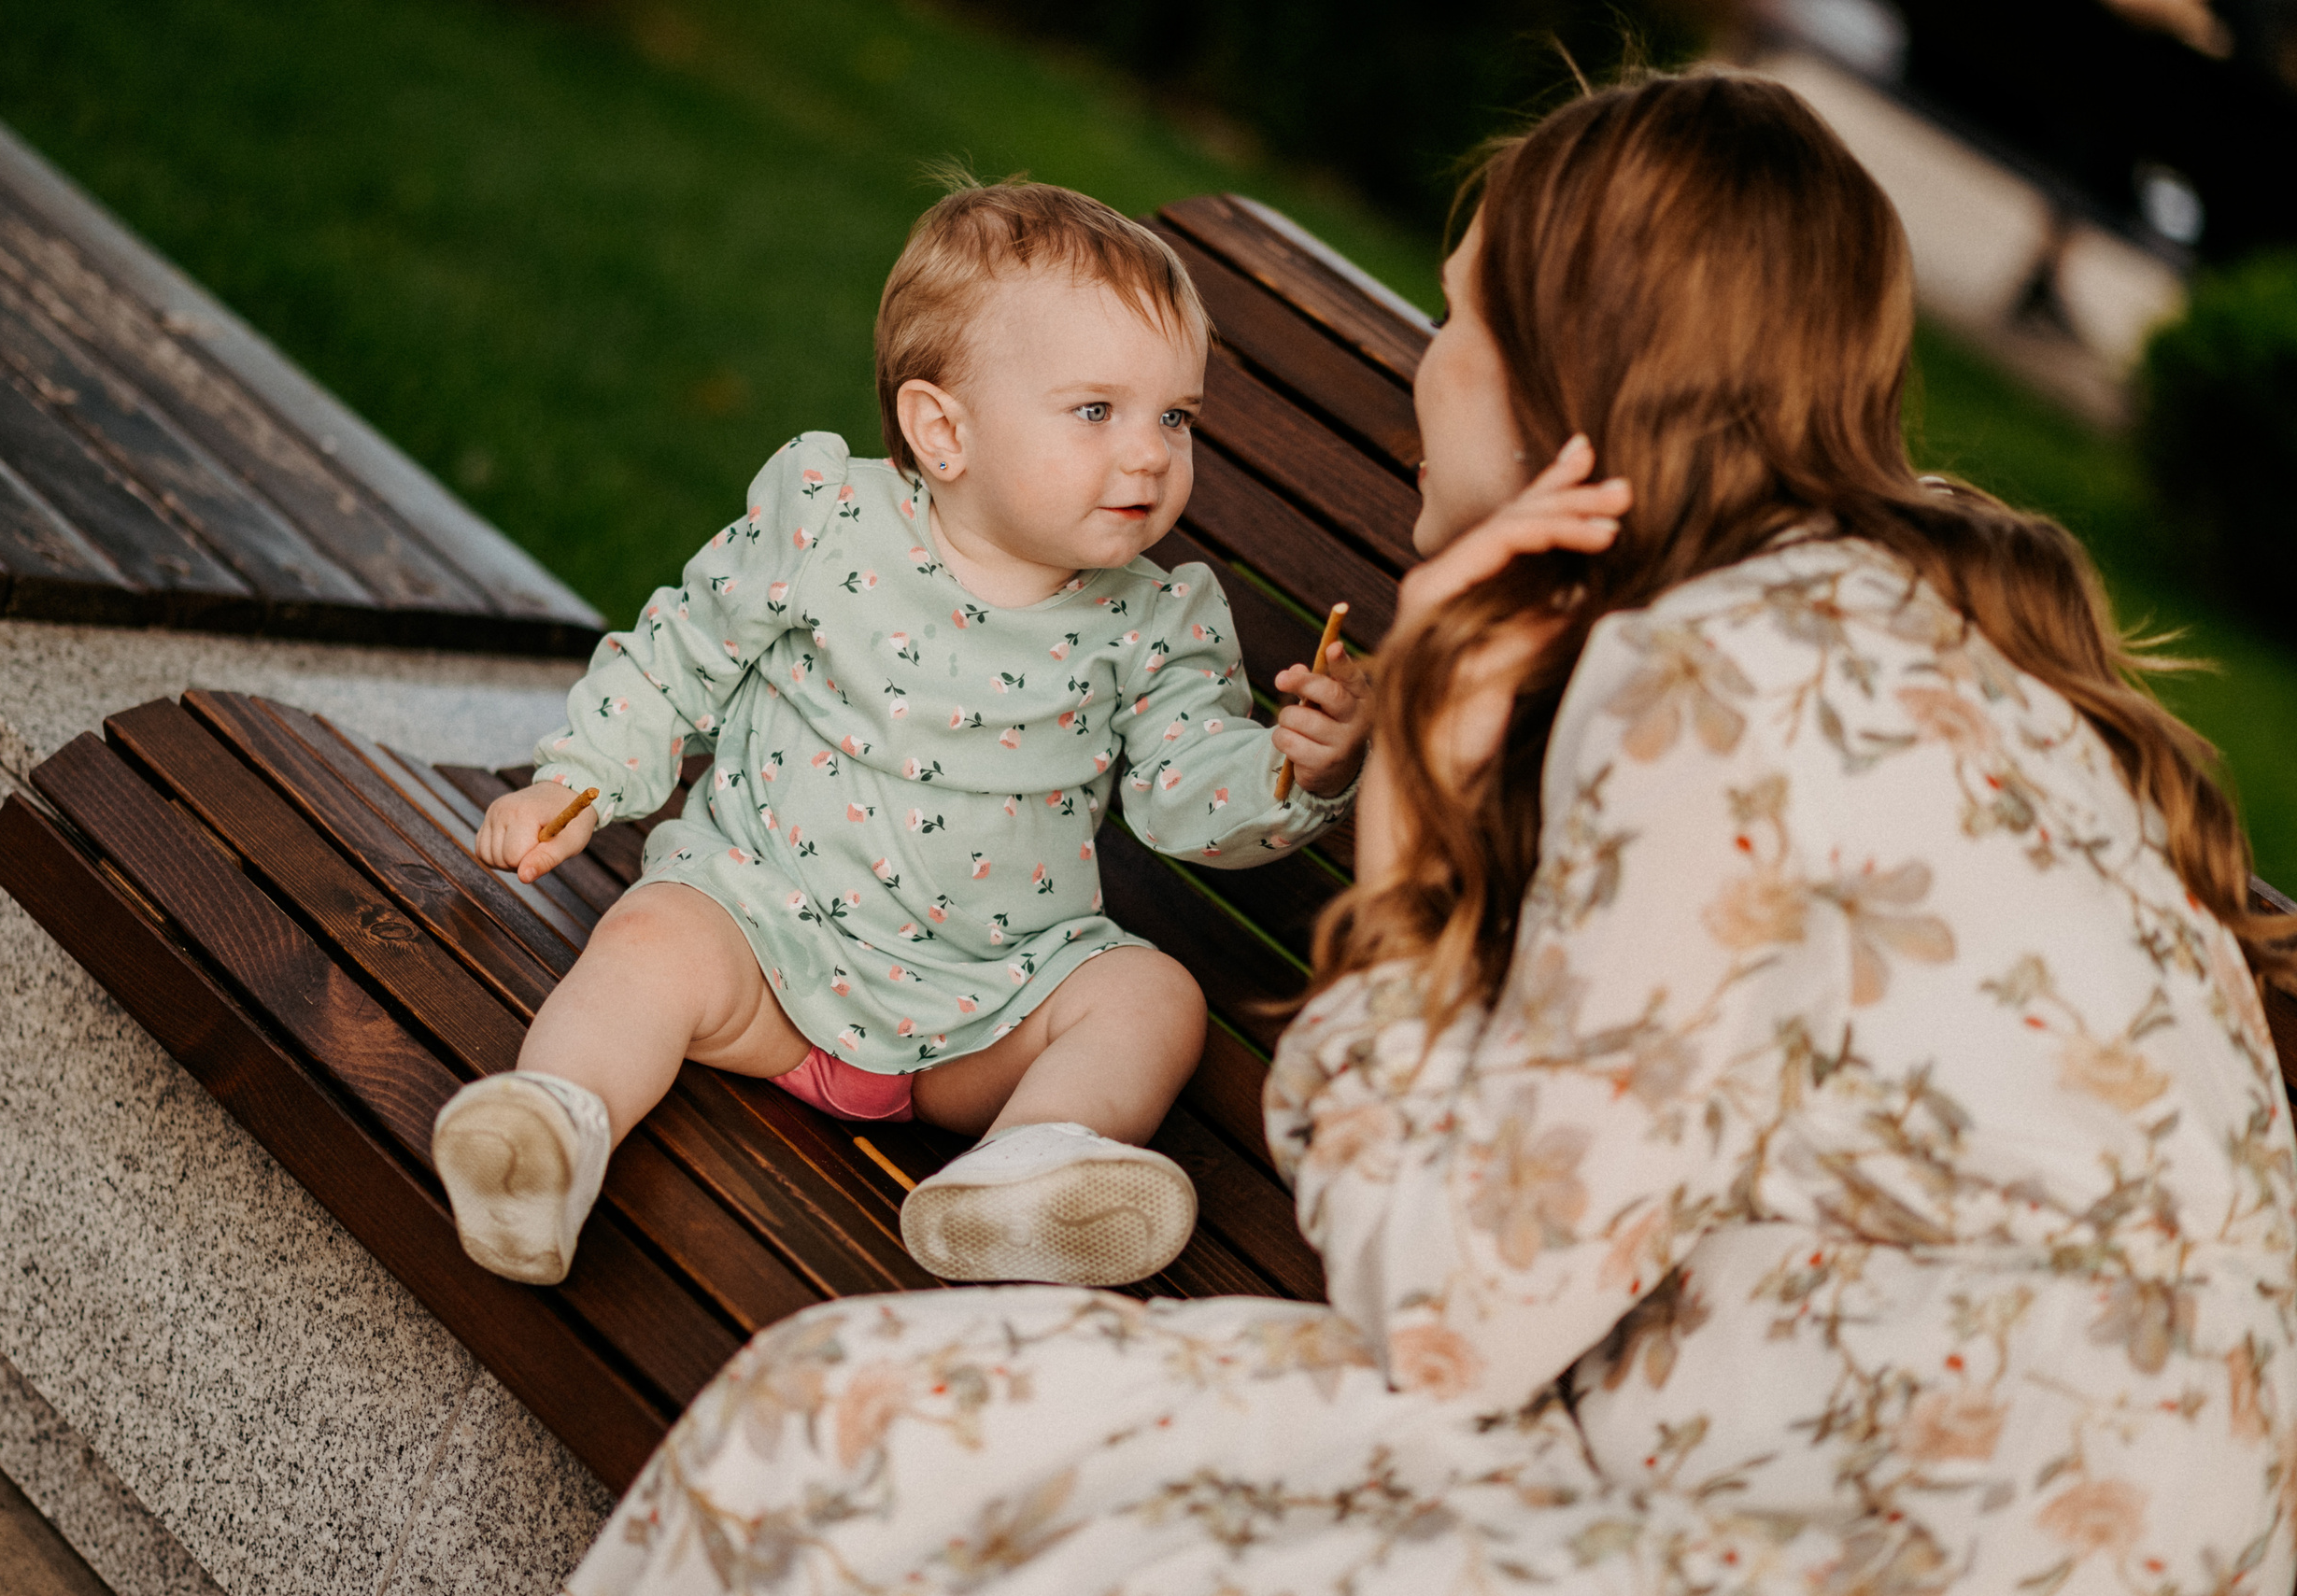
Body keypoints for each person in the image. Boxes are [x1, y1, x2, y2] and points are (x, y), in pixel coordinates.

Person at [562, 70, 2297, 1596]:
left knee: (849, 1435)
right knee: (844, 1412)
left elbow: (1451, 1303)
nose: (1424, 361)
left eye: (1458, 320)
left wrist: (1411, 796)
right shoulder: (1817, 627)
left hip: (1906, 1528)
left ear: (1569, 397)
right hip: (1879, 1457)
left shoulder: (1702, 686)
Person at [432, 178, 1369, 1292]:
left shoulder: (1153, 621)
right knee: (647, 942)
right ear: (942, 430)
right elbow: (680, 651)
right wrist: (574, 778)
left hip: (983, 1008)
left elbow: (1182, 793)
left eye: (1176, 416)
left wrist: (1287, 766)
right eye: (1096, 411)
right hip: (763, 947)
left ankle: (1021, 1173)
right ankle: (550, 1135)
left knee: (1151, 998)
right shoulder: (828, 519)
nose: (1154, 453)